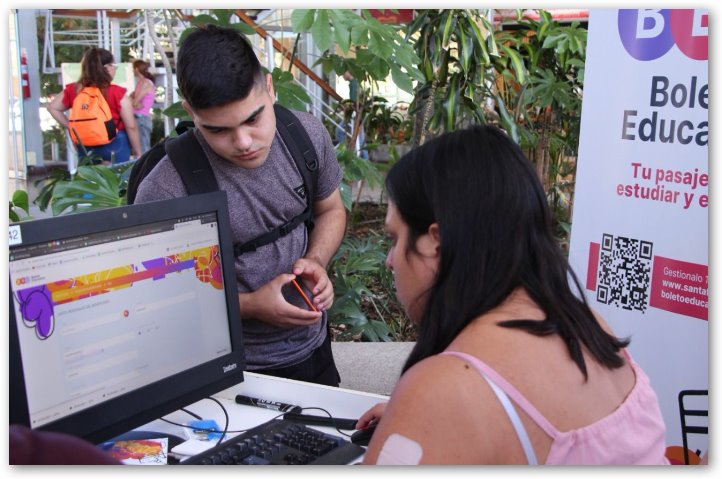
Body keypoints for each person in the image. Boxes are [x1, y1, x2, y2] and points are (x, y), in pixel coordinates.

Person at [356, 125, 669, 465]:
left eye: (394, 238)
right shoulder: (590, 327)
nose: (390, 260)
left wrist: (423, 411)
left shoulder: (445, 392)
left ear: (436, 241)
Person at [134, 25, 346, 387]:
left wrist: (316, 260)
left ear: (270, 88)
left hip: (313, 349)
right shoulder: (166, 187)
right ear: (190, 112)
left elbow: (331, 210)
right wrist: (250, 305)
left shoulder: (306, 136)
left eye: (253, 118)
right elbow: (156, 298)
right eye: (218, 130)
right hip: (223, 370)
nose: (244, 142)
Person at [47, 47, 141, 164]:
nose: (114, 69)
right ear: (107, 68)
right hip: (115, 143)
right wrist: (138, 152)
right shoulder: (117, 92)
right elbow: (131, 126)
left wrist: (71, 126)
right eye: (113, 65)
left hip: (85, 144)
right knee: (115, 175)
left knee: (90, 175)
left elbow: (52, 107)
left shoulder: (74, 89)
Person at [130, 59, 156, 154]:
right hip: (137, 117)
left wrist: (133, 100)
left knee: (143, 149)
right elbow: (133, 101)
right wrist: (133, 101)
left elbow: (135, 102)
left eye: (133, 68)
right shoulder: (140, 83)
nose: (132, 71)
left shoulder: (146, 83)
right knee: (138, 149)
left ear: (137, 69)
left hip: (142, 118)